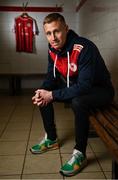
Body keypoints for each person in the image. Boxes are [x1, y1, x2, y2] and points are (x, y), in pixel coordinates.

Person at [30, 13, 114, 177]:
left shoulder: (83, 47)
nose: (53, 38)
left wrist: (53, 95)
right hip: (78, 86)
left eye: (57, 31)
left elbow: (84, 86)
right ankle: (51, 139)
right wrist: (43, 91)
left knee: (78, 101)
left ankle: (79, 154)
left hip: (101, 90)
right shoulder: (52, 49)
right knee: (42, 92)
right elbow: (51, 77)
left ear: (66, 29)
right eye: (48, 33)